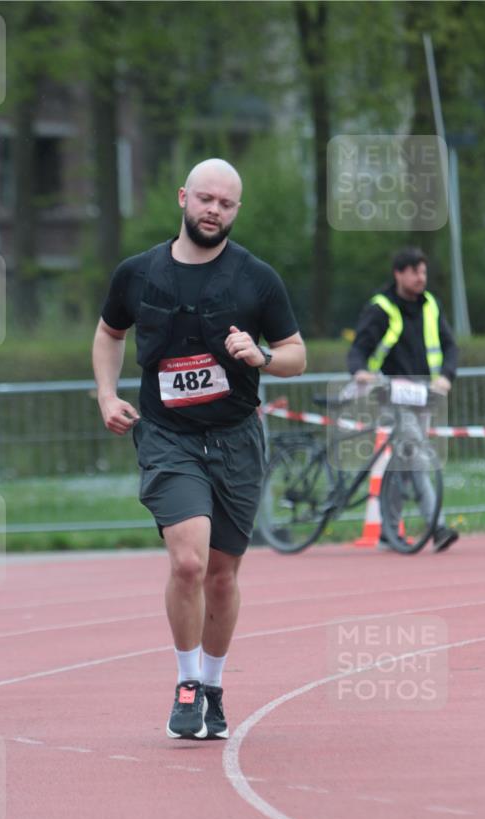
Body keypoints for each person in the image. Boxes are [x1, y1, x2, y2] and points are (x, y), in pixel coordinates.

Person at [93, 158, 306, 740]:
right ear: (183, 197)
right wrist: (107, 395)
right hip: (168, 437)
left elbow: (295, 353)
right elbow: (109, 332)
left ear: (237, 210)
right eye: (206, 199)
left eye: (226, 204)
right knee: (188, 562)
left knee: (221, 574)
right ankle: (186, 682)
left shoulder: (257, 278)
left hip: (236, 439)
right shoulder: (138, 273)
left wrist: (262, 356)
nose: (214, 210)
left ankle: (213, 686)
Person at [347, 246, 459, 552]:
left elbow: (450, 346)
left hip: (424, 395)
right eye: (414, 272)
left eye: (423, 271)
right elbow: (359, 348)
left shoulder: (431, 305)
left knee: (404, 462)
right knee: (416, 453)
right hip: (391, 394)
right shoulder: (381, 307)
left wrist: (446, 376)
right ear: (399, 274)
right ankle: (437, 527)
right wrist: (360, 372)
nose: (421, 277)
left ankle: (387, 530)